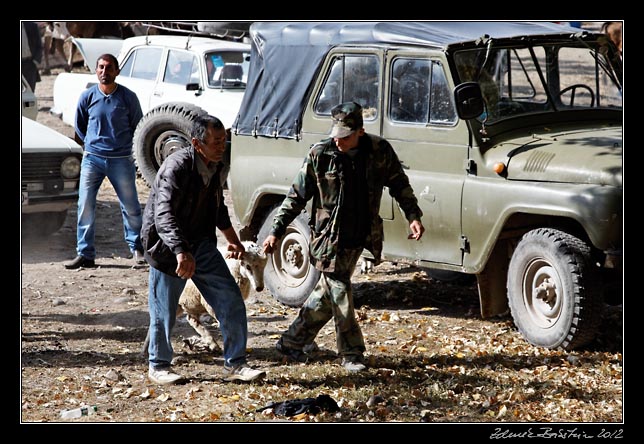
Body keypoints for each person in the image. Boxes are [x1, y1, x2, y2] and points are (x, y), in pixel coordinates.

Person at [262, 102, 425, 373]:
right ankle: (351, 352)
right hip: (328, 238)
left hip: (362, 234)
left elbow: (399, 183)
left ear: (360, 132)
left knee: (327, 292)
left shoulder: (379, 151)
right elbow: (295, 198)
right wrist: (276, 232)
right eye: (335, 134)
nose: (338, 141)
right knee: (339, 290)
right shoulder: (320, 154)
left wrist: (413, 216)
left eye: (345, 136)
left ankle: (291, 342)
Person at [141, 114, 266, 385]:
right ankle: (159, 366)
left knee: (231, 298)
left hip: (201, 243)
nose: (222, 146)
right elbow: (163, 214)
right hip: (166, 247)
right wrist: (180, 251)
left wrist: (233, 240)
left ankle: (235, 364)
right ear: (198, 144)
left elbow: (217, 208)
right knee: (164, 309)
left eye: (224, 140)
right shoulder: (176, 168)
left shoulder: (217, 165)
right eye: (217, 141)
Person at [65, 54, 145, 269]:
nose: (104, 71)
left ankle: (137, 249)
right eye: (100, 67)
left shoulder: (128, 97)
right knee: (85, 206)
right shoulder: (88, 96)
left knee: (130, 206)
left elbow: (138, 127)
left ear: (117, 71)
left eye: (109, 68)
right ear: (96, 70)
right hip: (93, 159)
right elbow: (80, 127)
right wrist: (92, 145)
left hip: (121, 159)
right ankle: (85, 254)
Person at [21, 21, 43, 92]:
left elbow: (39, 46)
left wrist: (36, 61)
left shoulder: (32, 26)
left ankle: (27, 103)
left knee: (29, 91)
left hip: (29, 64)